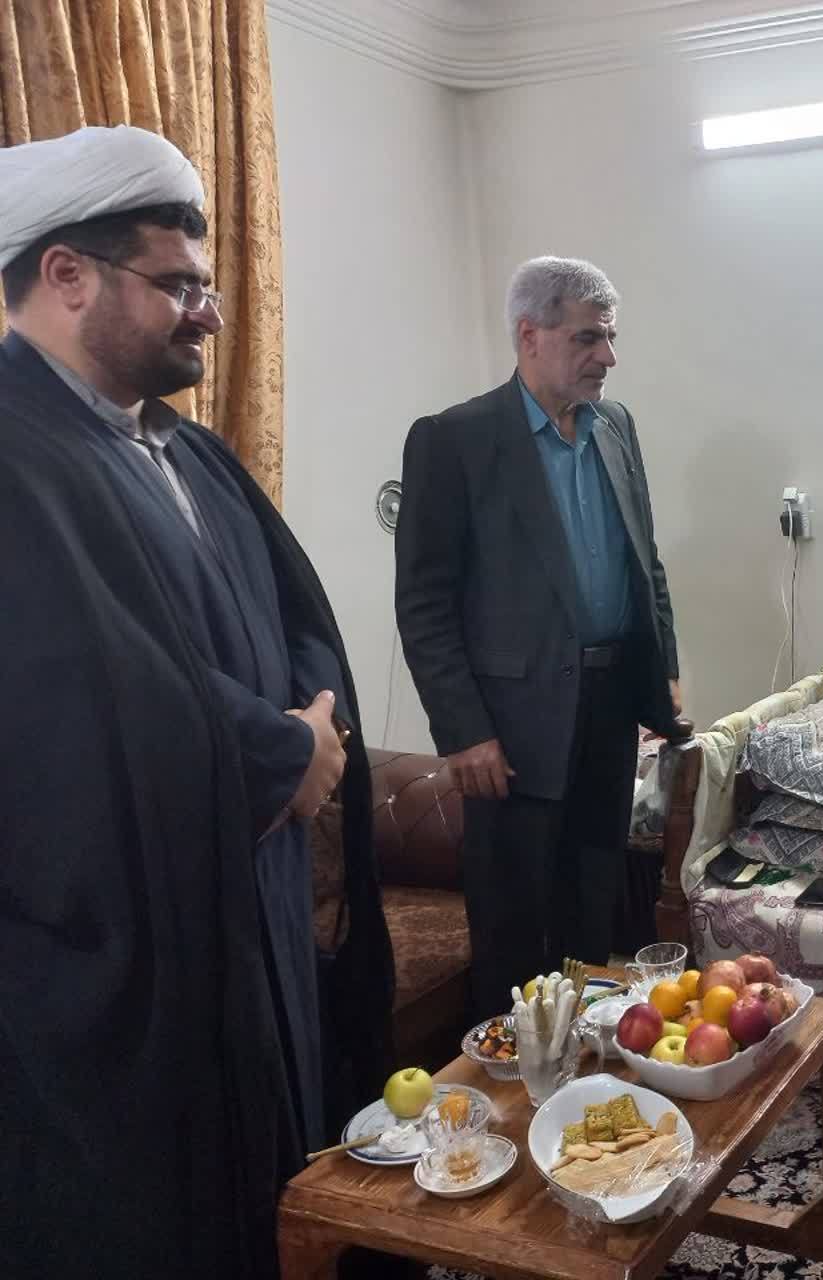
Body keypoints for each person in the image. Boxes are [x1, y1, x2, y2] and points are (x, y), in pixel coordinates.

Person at [0, 125, 392, 1278]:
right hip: (122, 944)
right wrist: (277, 752)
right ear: (67, 273)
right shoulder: (14, 459)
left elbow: (293, 614)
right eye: (178, 285)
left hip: (250, 882)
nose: (210, 315)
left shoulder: (187, 449)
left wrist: (316, 719)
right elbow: (70, 699)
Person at [396, 256, 689, 1016]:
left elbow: (645, 560)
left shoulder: (616, 427)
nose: (608, 357)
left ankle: (588, 1059)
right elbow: (424, 604)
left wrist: (664, 672)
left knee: (593, 911)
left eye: (610, 337)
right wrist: (463, 732)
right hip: (511, 727)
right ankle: (512, 1074)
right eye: (589, 338)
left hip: (609, 707)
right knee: (516, 926)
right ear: (530, 335)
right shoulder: (454, 439)